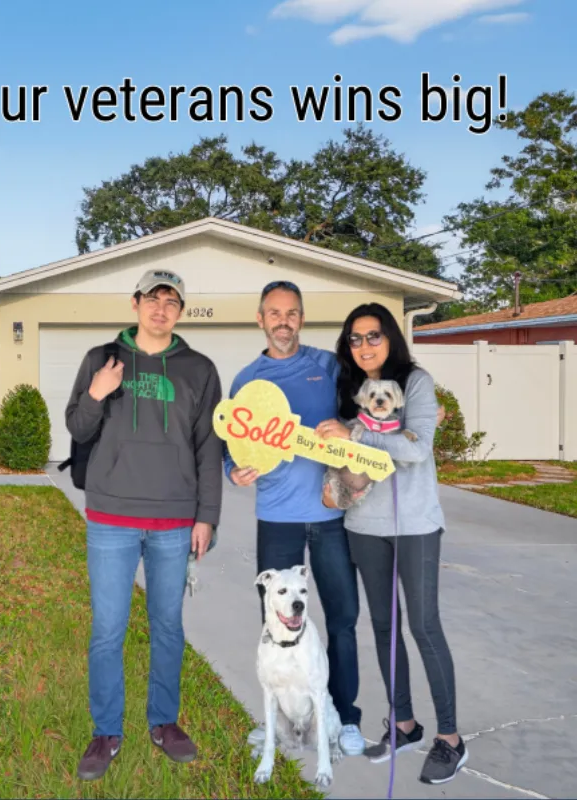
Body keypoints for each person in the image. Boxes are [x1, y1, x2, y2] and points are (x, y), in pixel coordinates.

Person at [64, 268, 223, 781]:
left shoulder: (199, 369)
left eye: (172, 300)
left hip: (175, 519)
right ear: (135, 303)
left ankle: (164, 722)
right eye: (153, 298)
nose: (161, 308)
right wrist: (98, 391)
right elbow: (77, 426)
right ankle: (107, 730)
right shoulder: (102, 358)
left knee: (169, 626)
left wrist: (208, 516)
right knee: (108, 630)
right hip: (112, 516)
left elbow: (208, 447)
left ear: (180, 310)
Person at [314, 302, 466, 785]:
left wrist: (358, 436)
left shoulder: (415, 382)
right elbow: (340, 453)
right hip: (364, 525)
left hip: (416, 523)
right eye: (355, 339)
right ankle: (404, 724)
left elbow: (418, 449)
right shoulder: (349, 391)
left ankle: (450, 740)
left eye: (373, 336)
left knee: (424, 626)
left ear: (391, 337)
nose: (364, 346)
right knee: (384, 628)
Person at [224, 280, 367, 758]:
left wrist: (349, 430)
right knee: (274, 623)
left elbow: (361, 416)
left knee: (343, 618)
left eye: (292, 313)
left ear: (301, 319)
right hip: (277, 518)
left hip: (328, 515)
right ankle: (278, 720)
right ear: (260, 319)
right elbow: (232, 446)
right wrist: (233, 471)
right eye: (274, 313)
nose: (283, 321)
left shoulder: (327, 366)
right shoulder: (246, 380)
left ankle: (346, 717)